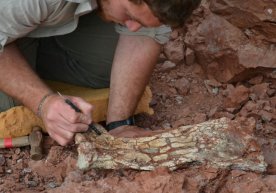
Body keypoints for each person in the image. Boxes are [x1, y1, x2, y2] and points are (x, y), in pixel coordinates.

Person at [0, 0, 201, 146]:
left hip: (32, 19)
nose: (132, 27)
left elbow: (145, 31)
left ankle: (23, 46)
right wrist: (43, 102)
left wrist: (119, 124)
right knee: (8, 103)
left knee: (112, 72)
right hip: (18, 10)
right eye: (130, 16)